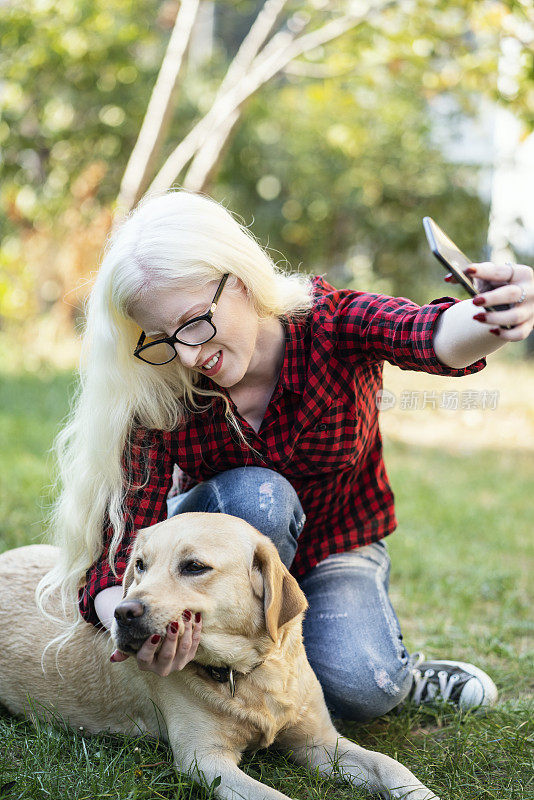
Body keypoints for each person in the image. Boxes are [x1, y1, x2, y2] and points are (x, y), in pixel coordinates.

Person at [38, 190, 534, 721]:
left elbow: (428, 335)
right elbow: (116, 552)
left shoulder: (334, 324)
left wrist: (493, 317)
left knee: (364, 690)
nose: (187, 354)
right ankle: (233, 681)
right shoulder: (162, 391)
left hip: (333, 547)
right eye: (161, 338)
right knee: (260, 494)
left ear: (243, 282)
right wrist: (126, 621)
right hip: (215, 568)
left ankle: (400, 674)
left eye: (194, 322)